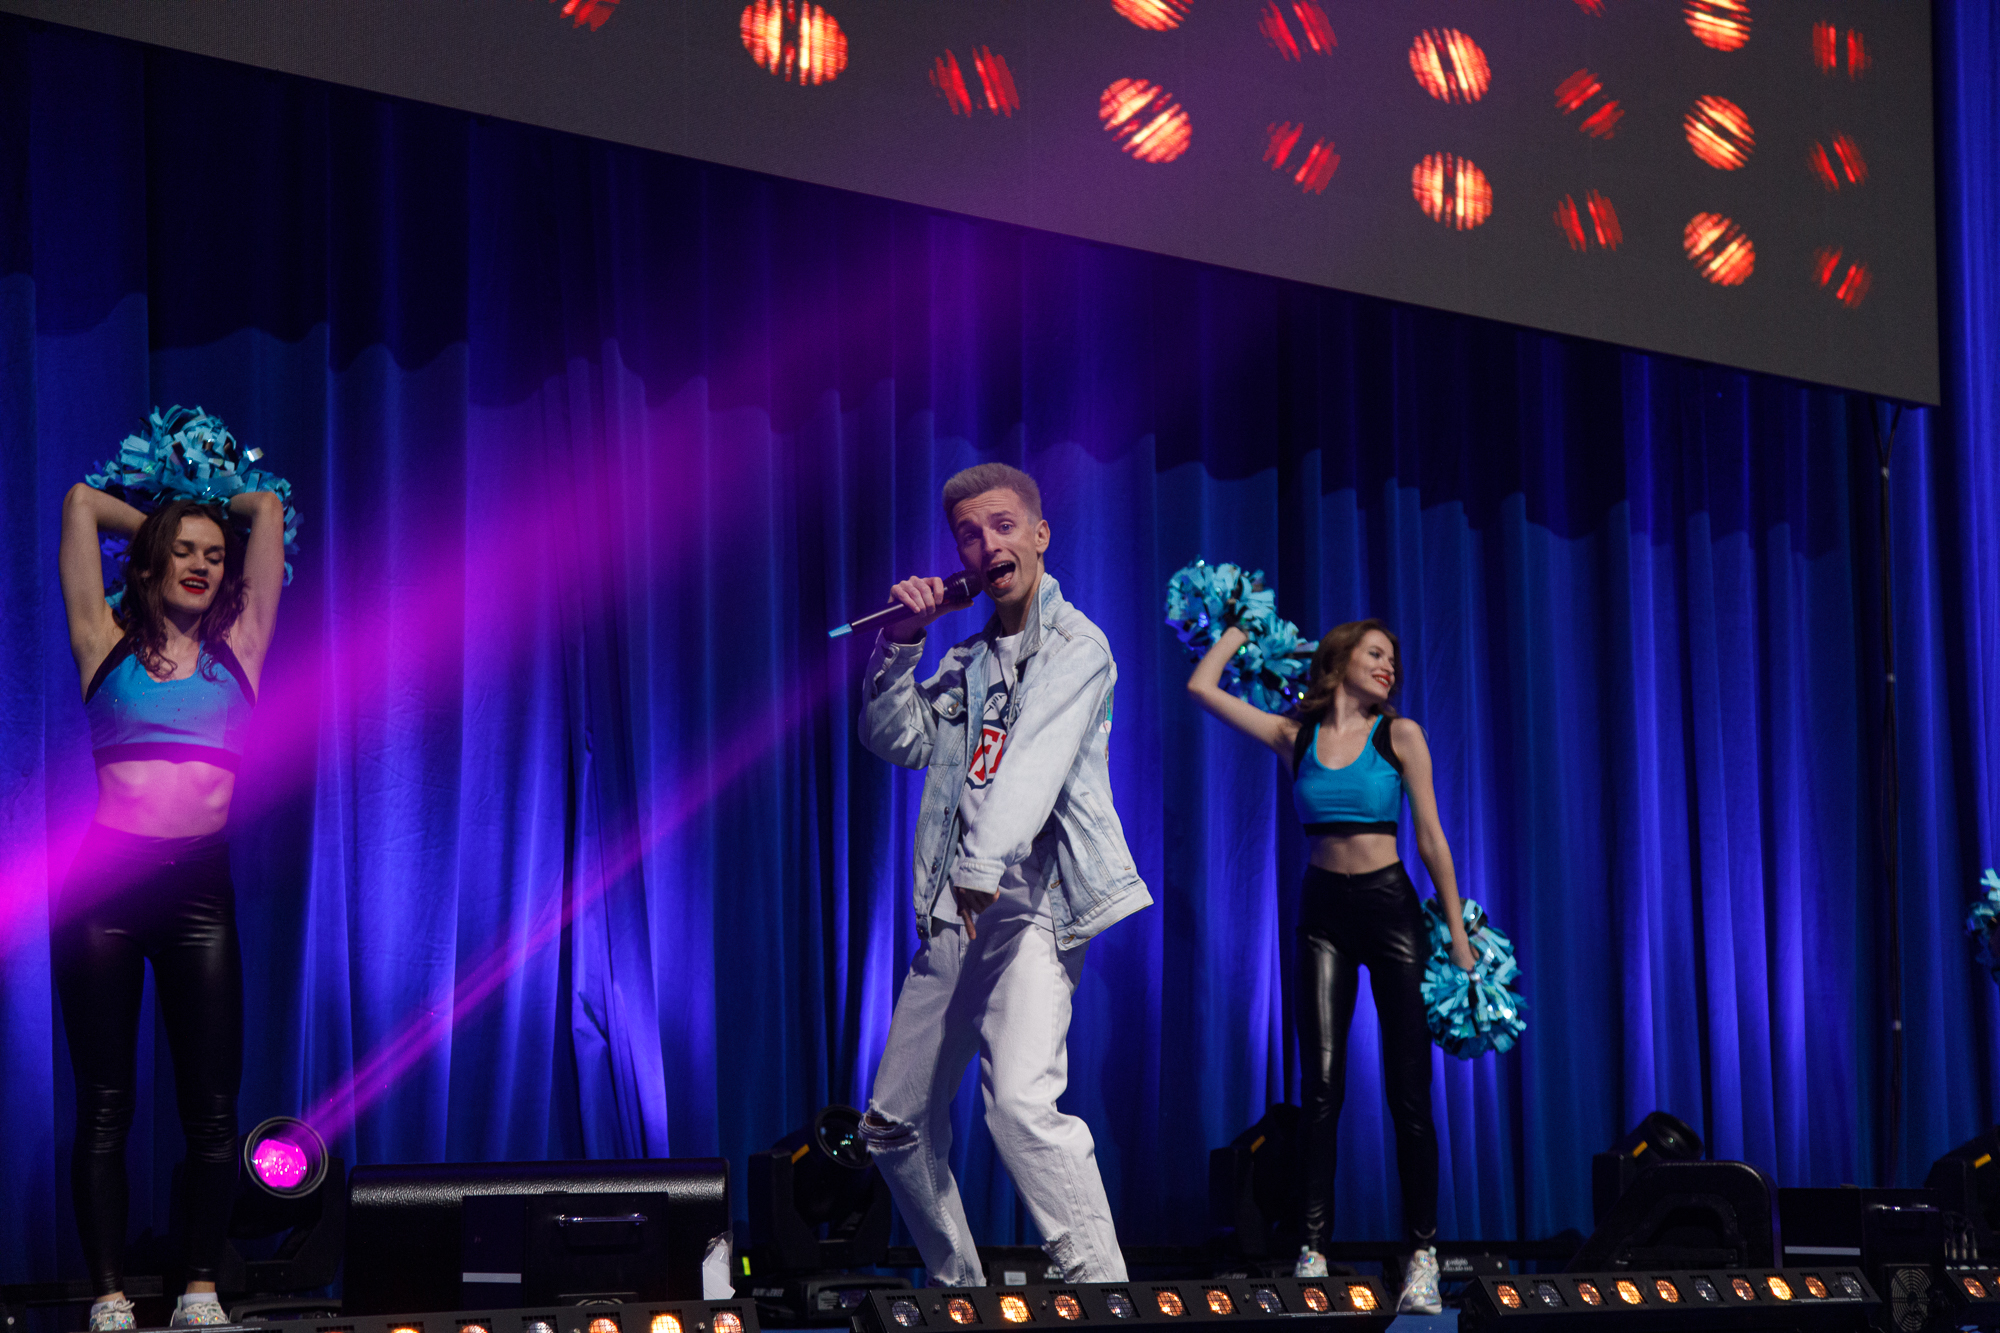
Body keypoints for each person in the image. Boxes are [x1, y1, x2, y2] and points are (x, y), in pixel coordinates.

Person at [856, 462, 1149, 1286]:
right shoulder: (967, 660)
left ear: (1040, 534)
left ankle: (1102, 1289)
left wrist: (983, 865)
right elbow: (896, 737)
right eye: (969, 535)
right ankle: (961, 1291)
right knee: (893, 1125)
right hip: (959, 908)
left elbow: (1034, 763)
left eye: (1003, 526)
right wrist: (901, 641)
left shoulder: (1080, 647)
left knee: (1019, 1104)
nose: (987, 545)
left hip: (1033, 907)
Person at [1186, 618, 1474, 1315]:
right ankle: (1311, 1250)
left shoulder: (1400, 736)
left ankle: (1423, 1256)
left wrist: (1459, 936)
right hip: (1322, 915)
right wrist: (1237, 628)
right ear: (1339, 659)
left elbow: (1431, 838)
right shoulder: (1297, 736)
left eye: (1394, 659)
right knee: (1320, 1089)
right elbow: (1202, 688)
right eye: (1376, 653)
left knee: (1409, 1093)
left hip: (1391, 910)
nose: (1389, 666)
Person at [56, 476, 287, 1331]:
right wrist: (165, 524)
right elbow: (81, 504)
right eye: (183, 551)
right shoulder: (103, 641)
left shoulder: (241, 650)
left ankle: (199, 1288)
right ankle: (109, 1295)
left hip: (199, 891)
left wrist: (210, 511)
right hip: (104, 891)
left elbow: (265, 509)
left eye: (214, 555)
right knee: (105, 1104)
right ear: (151, 561)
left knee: (213, 1111)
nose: (201, 563)